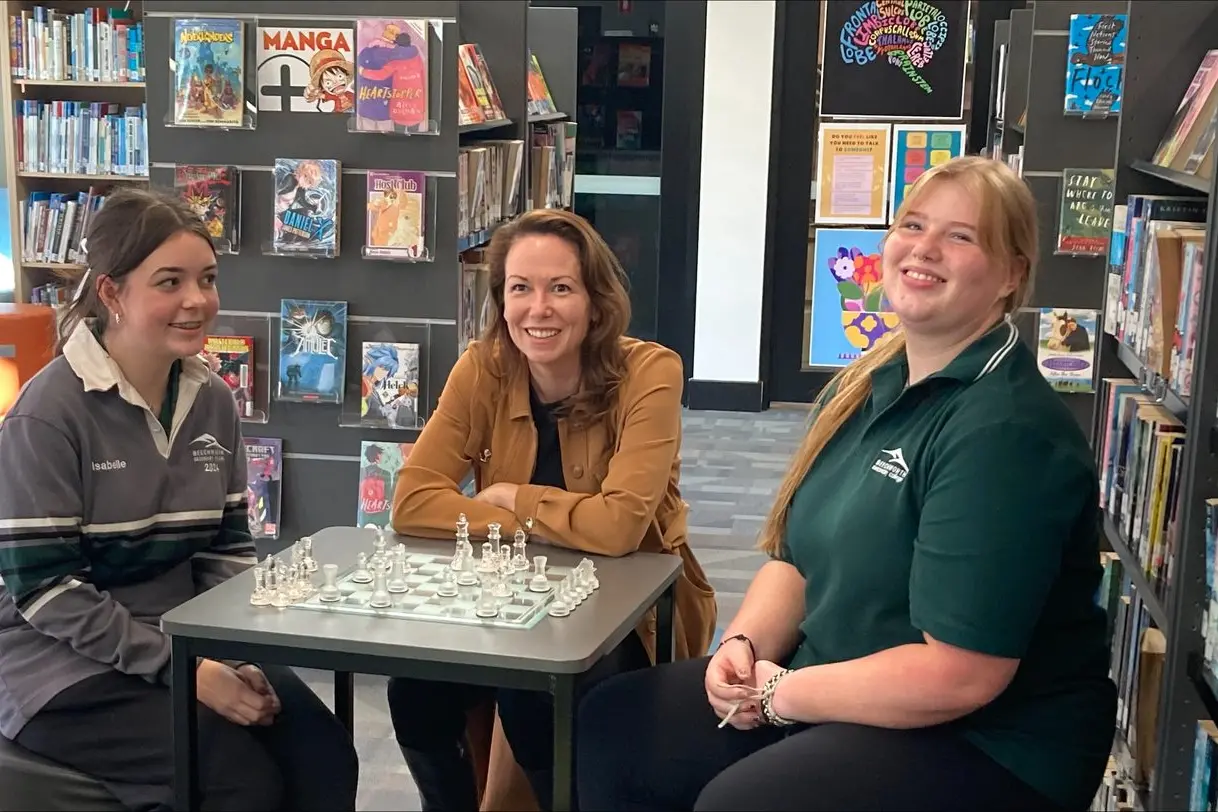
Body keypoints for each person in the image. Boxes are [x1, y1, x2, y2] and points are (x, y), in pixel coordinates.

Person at [576, 156, 1118, 812]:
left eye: (961, 236)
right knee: (616, 723)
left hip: (990, 741)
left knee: (743, 803)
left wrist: (780, 696)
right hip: (842, 684)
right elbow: (799, 554)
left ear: (1010, 275)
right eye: (912, 224)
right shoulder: (872, 380)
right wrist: (742, 651)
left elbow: (961, 676)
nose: (923, 248)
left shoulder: (1005, 431)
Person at [0, 188, 359, 811]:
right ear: (111, 292)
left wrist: (235, 653)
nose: (197, 300)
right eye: (169, 281)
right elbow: (46, 592)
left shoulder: (213, 400)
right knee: (237, 781)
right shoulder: (47, 415)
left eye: (207, 278)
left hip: (186, 640)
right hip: (56, 662)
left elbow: (228, 547)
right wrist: (188, 672)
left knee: (325, 756)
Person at [388, 207, 718, 810]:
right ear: (501, 299)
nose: (537, 309)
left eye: (560, 288)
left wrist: (513, 496)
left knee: (537, 691)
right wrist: (530, 525)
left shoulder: (650, 372)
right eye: (520, 288)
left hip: (630, 608)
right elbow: (411, 501)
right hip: (506, 599)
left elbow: (620, 528)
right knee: (414, 689)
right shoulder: (483, 367)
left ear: (595, 301)